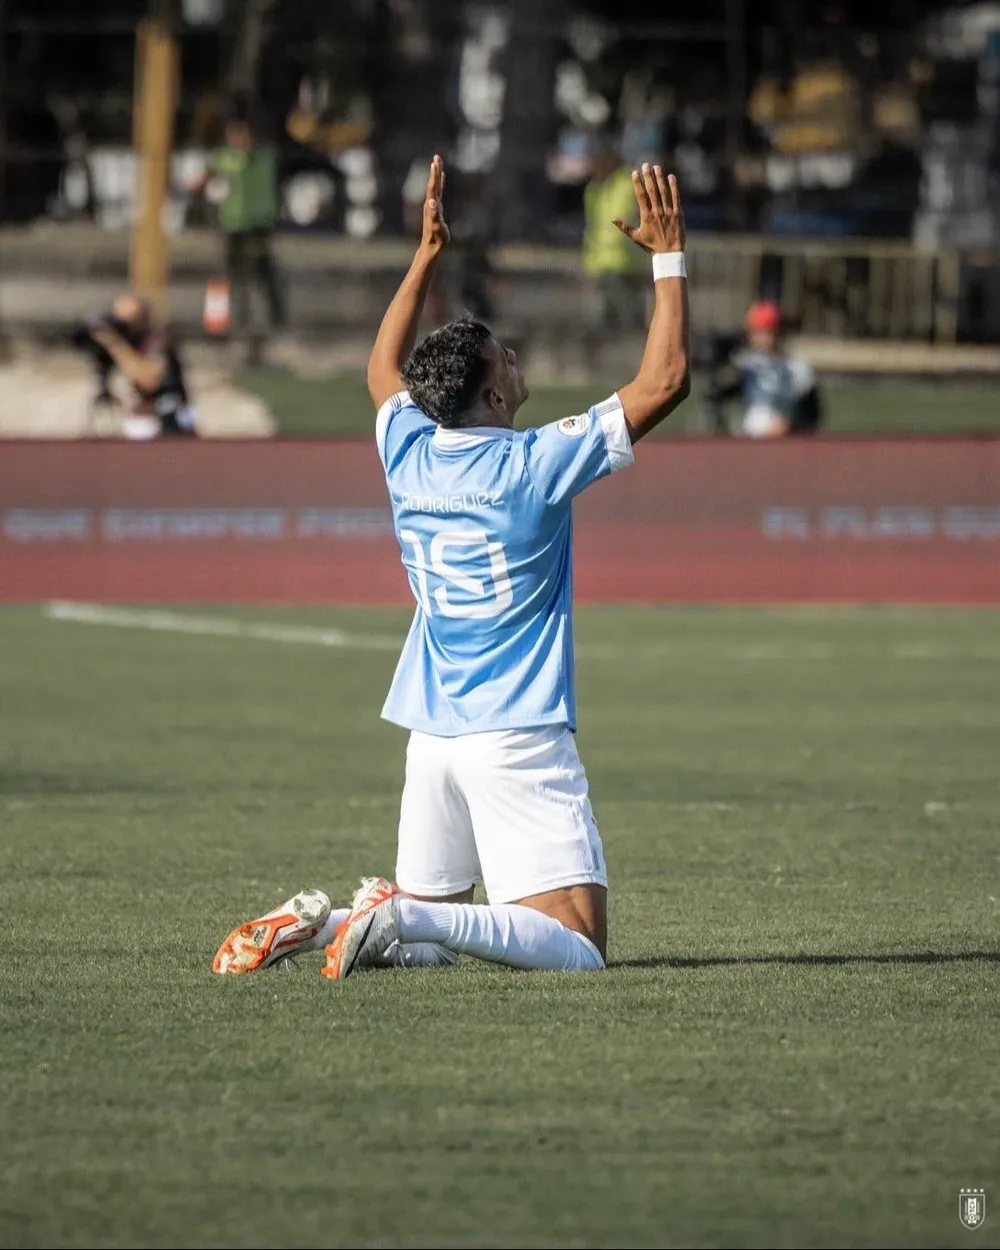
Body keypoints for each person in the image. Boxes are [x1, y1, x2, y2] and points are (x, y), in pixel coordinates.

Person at [212, 156, 690, 978]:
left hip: (431, 733)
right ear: (497, 397)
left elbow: (378, 371)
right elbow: (668, 379)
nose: (514, 355)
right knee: (578, 947)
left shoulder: (408, 450)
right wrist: (669, 259)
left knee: (422, 953)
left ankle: (326, 929)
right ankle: (388, 909)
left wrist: (425, 252)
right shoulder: (536, 464)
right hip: (516, 732)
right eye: (505, 354)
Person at [196, 111, 285, 336]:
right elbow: (205, 182)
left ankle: (276, 318)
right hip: (233, 223)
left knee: (263, 272)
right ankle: (239, 319)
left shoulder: (265, 157)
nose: (239, 140)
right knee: (234, 273)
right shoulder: (222, 159)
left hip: (259, 223)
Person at [84, 294, 196, 439]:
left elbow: (149, 380)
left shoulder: (156, 342)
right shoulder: (128, 345)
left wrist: (114, 343)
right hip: (137, 420)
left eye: (126, 323)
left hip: (167, 421)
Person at [705, 300, 822, 438]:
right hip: (749, 439)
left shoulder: (798, 368)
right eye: (756, 332)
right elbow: (716, 394)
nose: (761, 337)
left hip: (787, 439)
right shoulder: (745, 363)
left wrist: (789, 424)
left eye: (766, 331)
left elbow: (812, 415)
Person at [582, 139, 645, 341]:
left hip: (626, 264)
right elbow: (593, 227)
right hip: (602, 264)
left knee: (630, 317)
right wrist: (589, 265)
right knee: (607, 320)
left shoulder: (628, 184)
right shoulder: (593, 189)